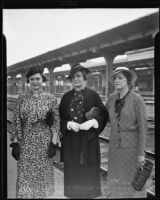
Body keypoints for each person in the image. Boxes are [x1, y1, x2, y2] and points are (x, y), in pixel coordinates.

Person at [9, 66, 61, 198]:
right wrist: (15, 144)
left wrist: (53, 144)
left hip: (44, 143)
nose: (35, 82)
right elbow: (16, 121)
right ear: (28, 81)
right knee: (25, 176)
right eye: (32, 79)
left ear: (42, 79)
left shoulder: (50, 99)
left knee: (42, 177)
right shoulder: (21, 98)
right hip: (26, 143)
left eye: (37, 79)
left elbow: (56, 123)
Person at [59, 63, 108, 198]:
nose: (76, 79)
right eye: (73, 77)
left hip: (89, 142)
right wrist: (67, 124)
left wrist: (93, 122)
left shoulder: (93, 95)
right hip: (71, 143)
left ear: (84, 78)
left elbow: (104, 114)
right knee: (73, 178)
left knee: (88, 178)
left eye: (78, 76)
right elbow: (59, 119)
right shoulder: (66, 97)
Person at [105, 66, 147, 198]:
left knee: (132, 181)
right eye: (115, 78)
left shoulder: (137, 99)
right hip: (115, 148)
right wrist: (90, 115)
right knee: (116, 178)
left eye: (120, 78)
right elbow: (102, 116)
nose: (116, 80)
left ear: (128, 80)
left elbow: (143, 128)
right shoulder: (111, 99)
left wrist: (141, 154)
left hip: (131, 149)